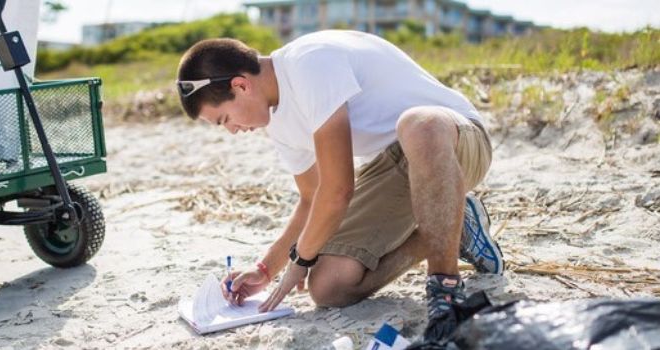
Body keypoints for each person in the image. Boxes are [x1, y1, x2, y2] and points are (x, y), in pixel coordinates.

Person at [175, 30, 503, 340]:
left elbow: (338, 190)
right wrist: (266, 269)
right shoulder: (278, 123)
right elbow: (312, 198)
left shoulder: (308, 63)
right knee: (329, 287)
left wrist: (300, 261)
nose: (231, 130)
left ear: (241, 86)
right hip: (399, 165)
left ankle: (444, 287)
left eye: (224, 119)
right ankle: (455, 227)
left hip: (455, 142)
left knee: (419, 125)